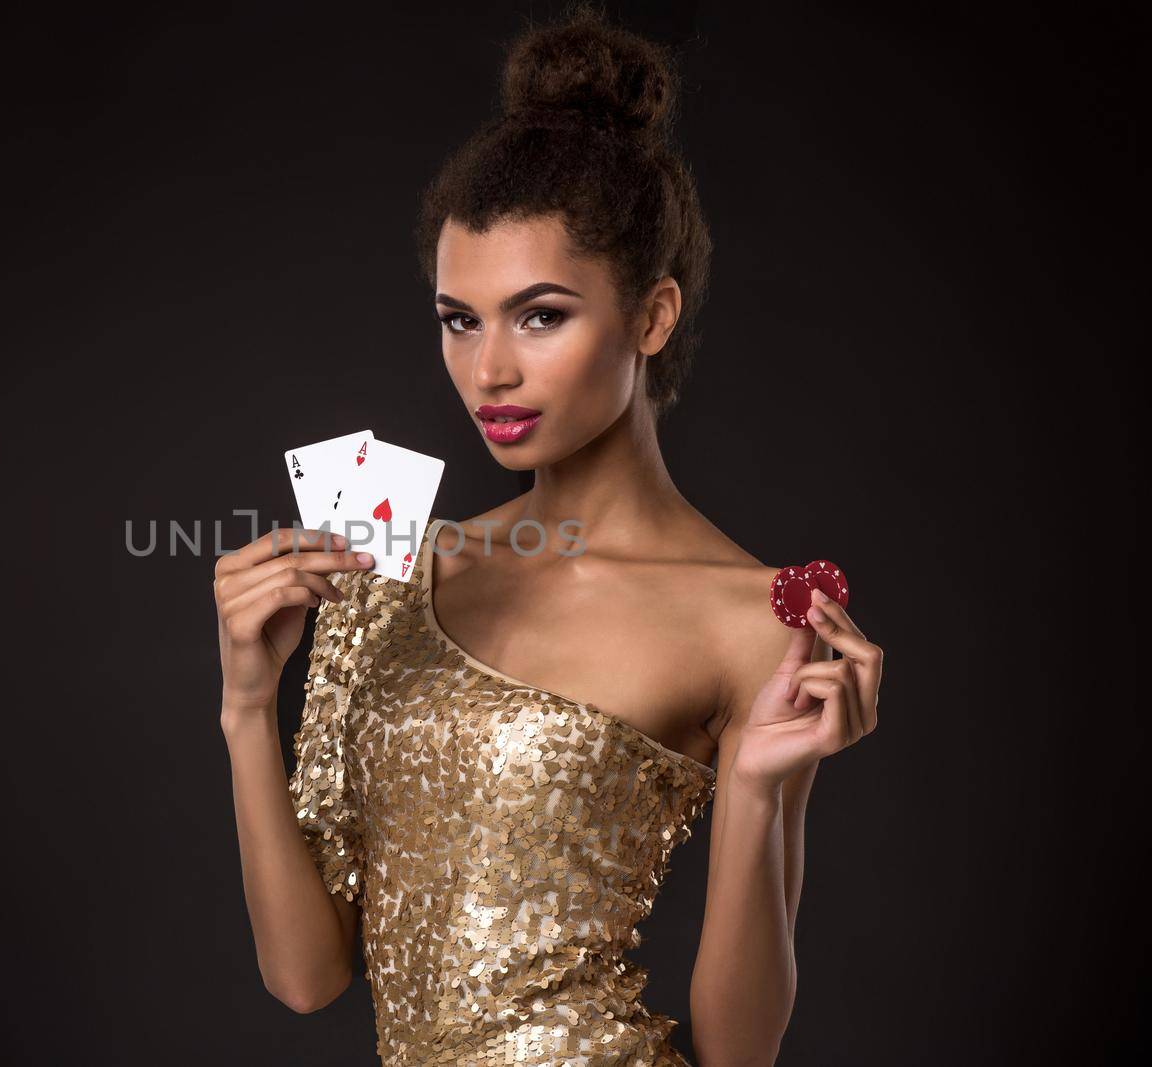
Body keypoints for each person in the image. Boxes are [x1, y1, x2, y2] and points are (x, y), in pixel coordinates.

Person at [213, 6, 883, 1064]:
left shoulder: (744, 616)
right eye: (458, 318)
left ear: (650, 317)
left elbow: (738, 1051)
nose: (489, 372)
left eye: (540, 315)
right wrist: (249, 705)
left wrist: (759, 789)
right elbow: (307, 976)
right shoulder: (390, 572)